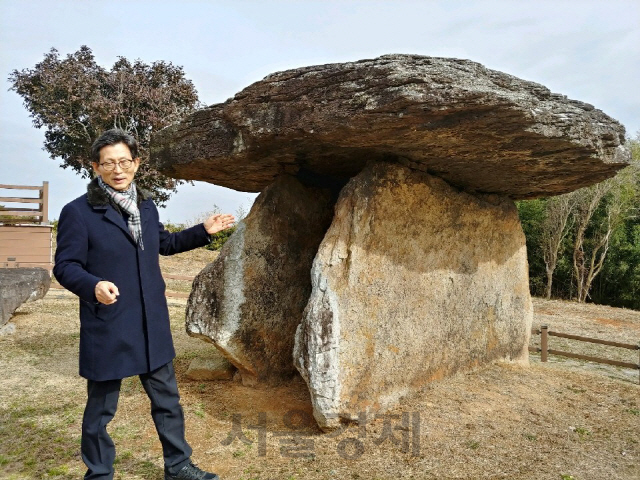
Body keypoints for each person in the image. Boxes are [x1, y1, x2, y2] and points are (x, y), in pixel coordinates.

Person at [54, 129, 234, 480]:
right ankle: (99, 473)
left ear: (136, 163)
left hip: (151, 321)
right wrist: (93, 286)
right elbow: (65, 266)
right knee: (101, 409)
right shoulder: (78, 212)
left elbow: (163, 245)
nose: (117, 169)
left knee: (168, 401)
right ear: (96, 167)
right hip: (108, 321)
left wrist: (202, 230)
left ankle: (178, 466)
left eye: (124, 161)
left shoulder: (146, 207)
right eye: (108, 163)